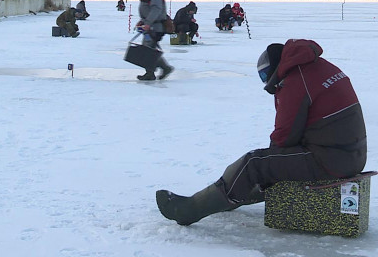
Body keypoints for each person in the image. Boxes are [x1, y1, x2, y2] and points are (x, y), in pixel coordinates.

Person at [156, 39, 367, 225]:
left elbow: (285, 135)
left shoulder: (295, 81)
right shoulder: (317, 67)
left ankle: (190, 210)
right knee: (267, 167)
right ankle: (230, 195)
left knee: (254, 163)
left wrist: (273, 164)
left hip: (330, 159)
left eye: (266, 76)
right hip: (349, 154)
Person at [132, 0, 174, 81]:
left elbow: (156, 10)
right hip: (150, 26)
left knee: (148, 50)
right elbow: (147, 11)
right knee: (149, 50)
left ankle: (161, 69)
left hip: (156, 27)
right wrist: (142, 21)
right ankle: (153, 71)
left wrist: (147, 23)